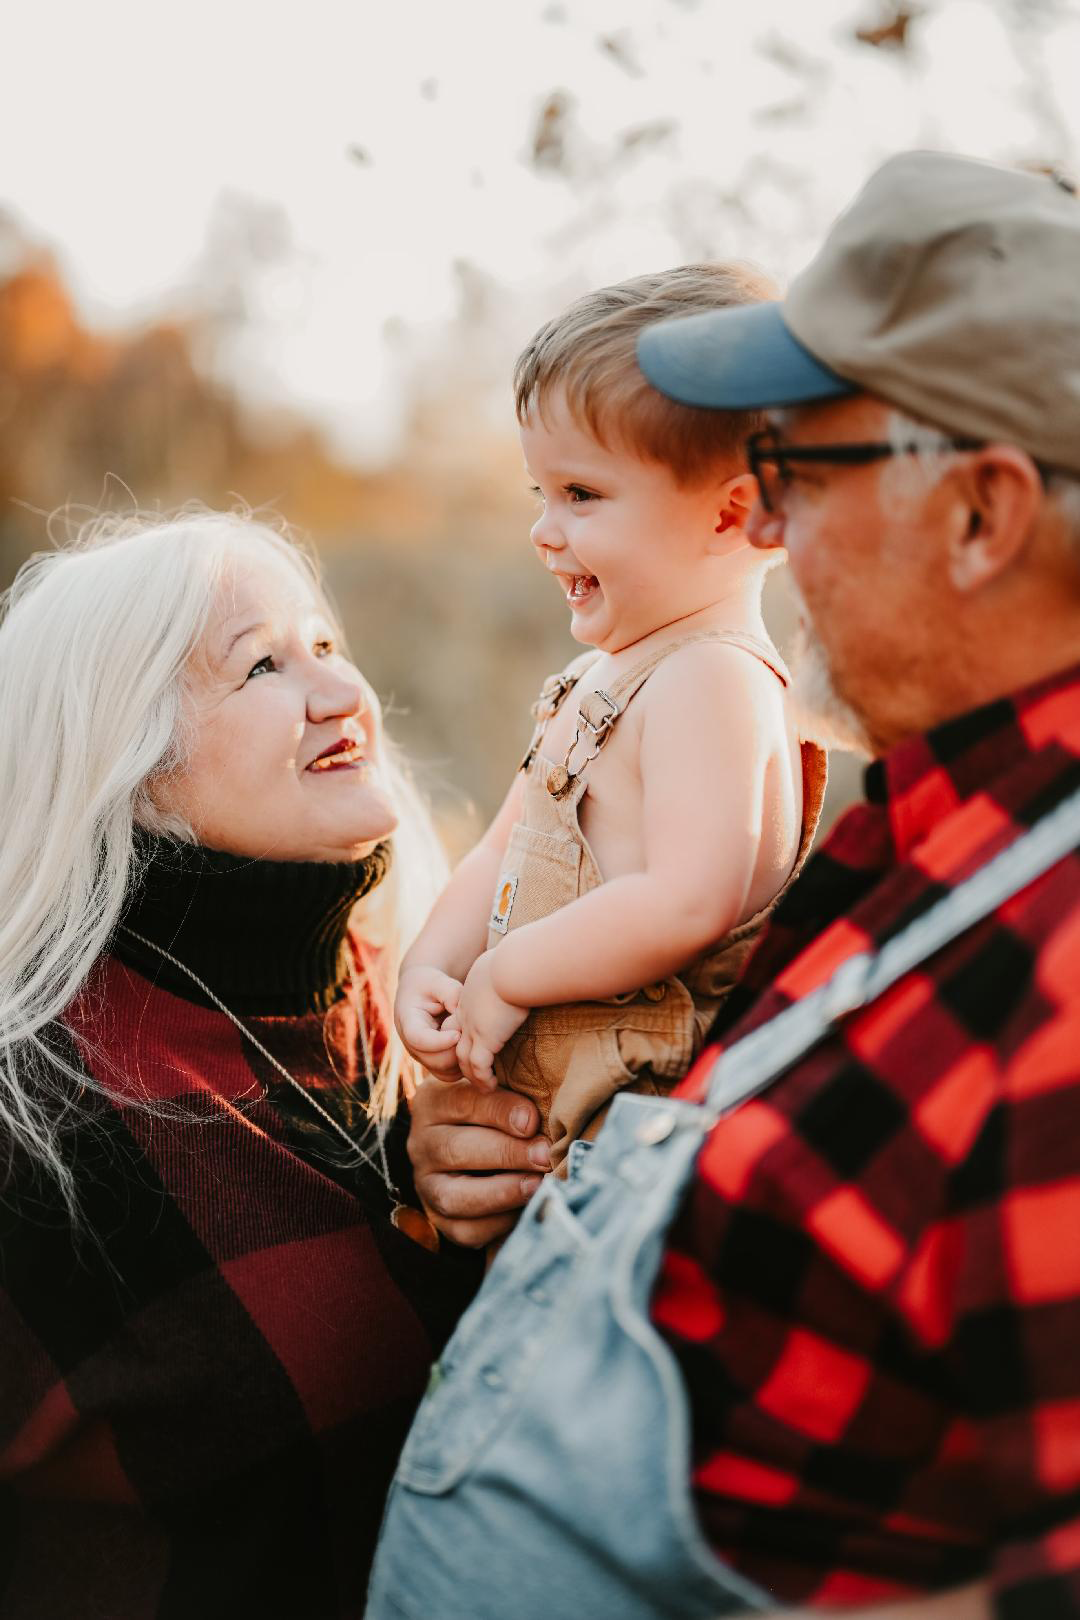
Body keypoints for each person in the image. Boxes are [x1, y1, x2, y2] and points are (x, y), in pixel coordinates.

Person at [374, 153, 1080, 1619]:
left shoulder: (1056, 947)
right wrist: (457, 1143)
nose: (769, 528)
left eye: (797, 473)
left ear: (982, 515)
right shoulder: (916, 845)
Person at [0, 509, 481, 1618]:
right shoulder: (38, 1113)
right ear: (127, 765)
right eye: (262, 664)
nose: (337, 691)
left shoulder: (421, 986)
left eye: (323, 642)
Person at [396, 265, 826, 1172]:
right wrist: (432, 964)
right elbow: (502, 848)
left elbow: (687, 897)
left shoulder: (713, 680)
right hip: (549, 1139)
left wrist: (509, 972)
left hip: (636, 1143)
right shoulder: (601, 678)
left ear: (732, 515)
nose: (543, 530)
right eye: (538, 495)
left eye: (581, 496)